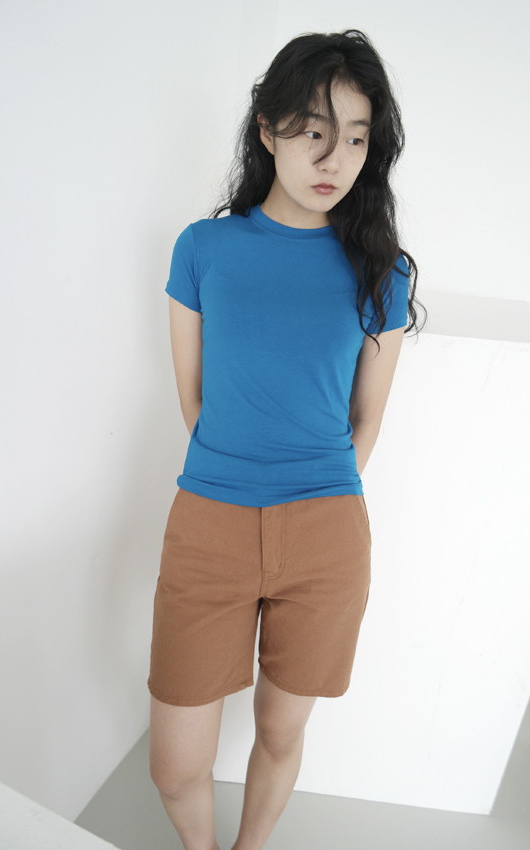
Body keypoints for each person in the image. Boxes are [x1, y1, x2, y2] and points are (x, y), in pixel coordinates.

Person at [147, 28, 425, 850]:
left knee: (278, 730)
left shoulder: (382, 270)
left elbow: (366, 419)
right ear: (267, 128)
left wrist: (319, 496)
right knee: (175, 766)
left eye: (356, 138)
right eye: (313, 131)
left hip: (326, 533)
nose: (334, 158)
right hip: (210, 520)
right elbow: (194, 398)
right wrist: (239, 478)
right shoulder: (204, 249)